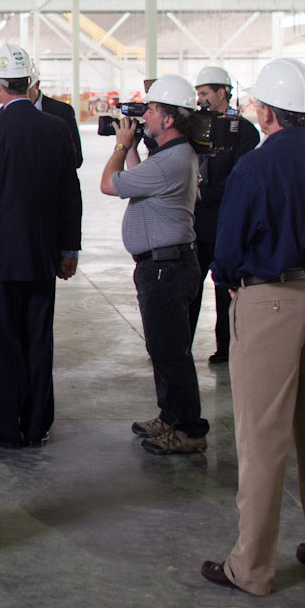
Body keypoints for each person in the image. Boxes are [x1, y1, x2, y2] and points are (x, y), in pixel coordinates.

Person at [203, 57, 305, 596]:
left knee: (262, 435)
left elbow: (228, 245)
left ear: (266, 111)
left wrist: (227, 276)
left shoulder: (255, 166)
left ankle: (252, 566)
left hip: (269, 300)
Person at [0, 43, 82, 449]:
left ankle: (4, 428)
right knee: (38, 340)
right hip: (42, 256)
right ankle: (36, 426)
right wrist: (69, 249)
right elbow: (71, 192)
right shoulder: (57, 127)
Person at [100, 75, 207, 456]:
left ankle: (190, 429)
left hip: (166, 267)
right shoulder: (172, 155)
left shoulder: (172, 160)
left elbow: (110, 184)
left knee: (171, 351)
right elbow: (135, 178)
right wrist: (134, 149)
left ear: (170, 118)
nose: (144, 115)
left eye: (152, 109)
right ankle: (171, 416)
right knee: (163, 348)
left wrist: (120, 144)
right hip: (164, 265)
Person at [191, 63, 259, 367]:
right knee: (190, 289)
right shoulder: (193, 126)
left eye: (205, 93)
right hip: (195, 223)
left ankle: (226, 349)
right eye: (197, 94)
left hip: (225, 223)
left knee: (224, 290)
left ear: (223, 93)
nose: (200, 99)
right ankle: (180, 344)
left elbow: (240, 177)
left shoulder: (244, 131)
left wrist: (206, 193)